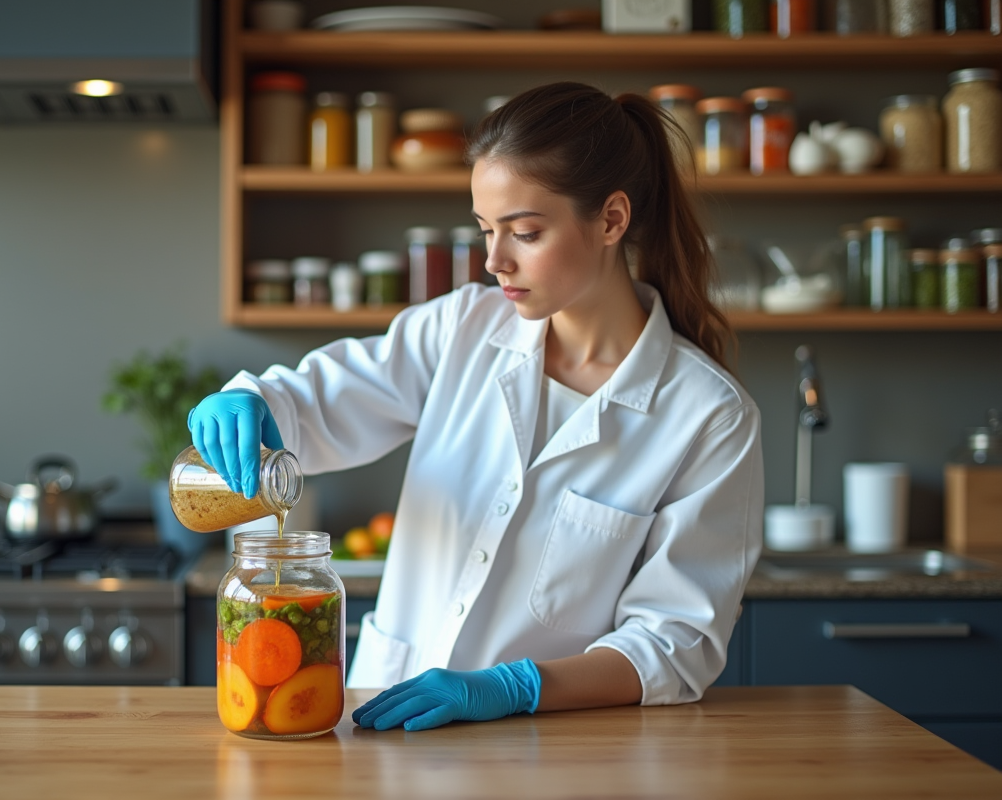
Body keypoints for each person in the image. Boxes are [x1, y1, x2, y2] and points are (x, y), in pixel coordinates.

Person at [188, 82, 763, 733]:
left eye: (525, 232)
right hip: (383, 721)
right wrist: (255, 399)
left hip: (544, 749)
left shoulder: (708, 416)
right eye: (487, 230)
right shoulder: (461, 330)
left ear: (611, 220)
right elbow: (318, 403)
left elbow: (675, 643)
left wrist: (516, 686)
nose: (495, 261)